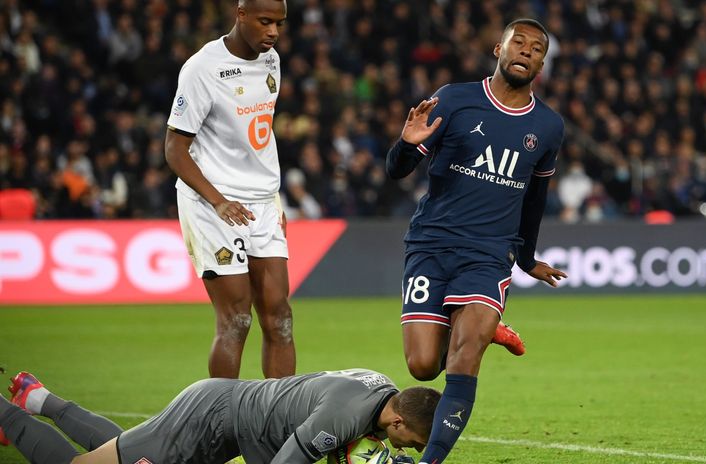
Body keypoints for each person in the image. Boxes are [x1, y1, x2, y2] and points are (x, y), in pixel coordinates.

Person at [385, 18, 568, 464]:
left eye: (536, 48)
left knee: (463, 362)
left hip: (488, 254)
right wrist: (406, 145)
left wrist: (526, 260)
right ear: (497, 49)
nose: (527, 51)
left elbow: (535, 200)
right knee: (424, 366)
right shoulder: (455, 99)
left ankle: (430, 461)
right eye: (518, 43)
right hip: (431, 245)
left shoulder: (547, 126)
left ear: (543, 62)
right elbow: (396, 170)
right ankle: (485, 331)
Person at [165, 0, 295, 379]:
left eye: (280, 24)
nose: (273, 32)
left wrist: (272, 194)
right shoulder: (202, 69)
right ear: (241, 15)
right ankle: (221, 426)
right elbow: (174, 148)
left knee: (280, 317)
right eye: (265, 22)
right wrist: (219, 202)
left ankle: (278, 425)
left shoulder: (271, 59)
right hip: (214, 202)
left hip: (262, 202)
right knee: (237, 319)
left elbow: (257, 136)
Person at [0, 370, 440, 464]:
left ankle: (36, 397)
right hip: (208, 423)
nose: (415, 451)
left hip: (226, 413)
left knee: (124, 452)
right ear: (399, 422)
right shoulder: (345, 415)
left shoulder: (381, 388)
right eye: (417, 443)